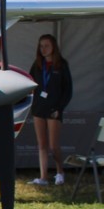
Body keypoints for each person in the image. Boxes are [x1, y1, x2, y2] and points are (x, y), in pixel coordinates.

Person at [28, 33, 74, 185]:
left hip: (54, 109)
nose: (43, 49)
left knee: (54, 146)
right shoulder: (37, 65)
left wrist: (59, 109)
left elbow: (68, 91)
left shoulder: (61, 65)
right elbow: (29, 82)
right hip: (39, 108)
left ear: (53, 47)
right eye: (41, 46)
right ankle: (43, 177)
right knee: (42, 145)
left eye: (46, 45)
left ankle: (60, 171)